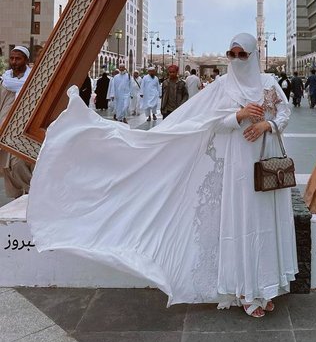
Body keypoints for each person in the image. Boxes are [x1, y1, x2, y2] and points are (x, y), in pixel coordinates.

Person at [28, 33, 298, 318]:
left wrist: (267, 126)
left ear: (254, 55)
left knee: (266, 220)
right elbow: (211, 123)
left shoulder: (269, 83)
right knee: (242, 220)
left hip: (266, 160)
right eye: (231, 54)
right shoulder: (222, 86)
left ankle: (265, 286)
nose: (236, 60)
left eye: (242, 54)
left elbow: (285, 112)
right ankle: (245, 290)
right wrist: (239, 116)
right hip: (238, 165)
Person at [0, 46, 34, 197]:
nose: (14, 62)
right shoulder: (4, 81)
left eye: (18, 58)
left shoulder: (32, 81)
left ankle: (31, 192)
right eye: (12, 58)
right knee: (7, 167)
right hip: (4, 129)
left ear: (26, 60)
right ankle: (17, 197)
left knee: (18, 163)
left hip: (24, 130)